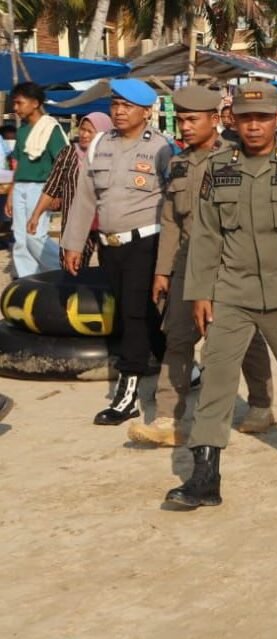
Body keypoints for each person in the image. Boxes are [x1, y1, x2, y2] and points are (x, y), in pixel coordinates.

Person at [166, 81, 277, 508]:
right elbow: (205, 236)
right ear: (232, 120)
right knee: (218, 377)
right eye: (245, 118)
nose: (254, 126)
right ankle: (205, 475)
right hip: (231, 292)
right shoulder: (219, 168)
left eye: (262, 118)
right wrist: (201, 292)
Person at [129, 85, 276, 448]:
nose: (185, 127)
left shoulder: (239, 159)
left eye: (192, 120)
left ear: (214, 120)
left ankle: (260, 405)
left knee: (244, 340)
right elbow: (172, 221)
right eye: (180, 120)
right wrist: (163, 272)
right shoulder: (177, 163)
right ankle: (168, 417)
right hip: (188, 267)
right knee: (177, 337)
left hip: (231, 267)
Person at [61, 79, 173, 426]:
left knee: (132, 315)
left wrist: (170, 259)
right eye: (115, 105)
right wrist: (73, 243)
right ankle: (185, 366)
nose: (119, 111)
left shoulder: (162, 148)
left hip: (146, 242)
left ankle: (127, 395)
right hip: (110, 247)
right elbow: (85, 197)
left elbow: (173, 204)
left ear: (146, 111)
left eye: (127, 106)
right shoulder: (99, 145)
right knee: (144, 312)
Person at [26, 112, 109, 267]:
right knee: (71, 268)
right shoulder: (68, 153)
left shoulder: (111, 156)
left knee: (110, 271)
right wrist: (36, 215)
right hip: (74, 224)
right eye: (82, 129)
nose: (83, 134)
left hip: (106, 224)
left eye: (90, 131)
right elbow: (51, 187)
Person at [8, 81, 68, 277]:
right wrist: (10, 194)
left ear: (34, 103)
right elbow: (18, 165)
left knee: (35, 235)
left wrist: (57, 192)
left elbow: (62, 162)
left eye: (19, 103)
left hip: (41, 188)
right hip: (20, 187)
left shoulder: (51, 128)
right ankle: (28, 280)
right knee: (20, 237)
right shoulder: (23, 130)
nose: (15, 108)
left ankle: (57, 271)